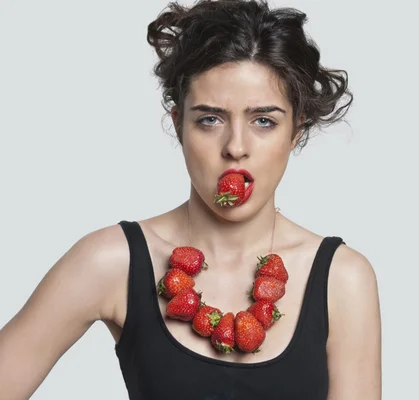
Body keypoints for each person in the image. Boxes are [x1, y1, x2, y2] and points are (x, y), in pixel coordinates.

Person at [0, 0, 381, 398]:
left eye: (264, 120)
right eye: (210, 119)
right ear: (178, 125)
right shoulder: (112, 261)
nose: (236, 146)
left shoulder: (344, 278)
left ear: (296, 132)